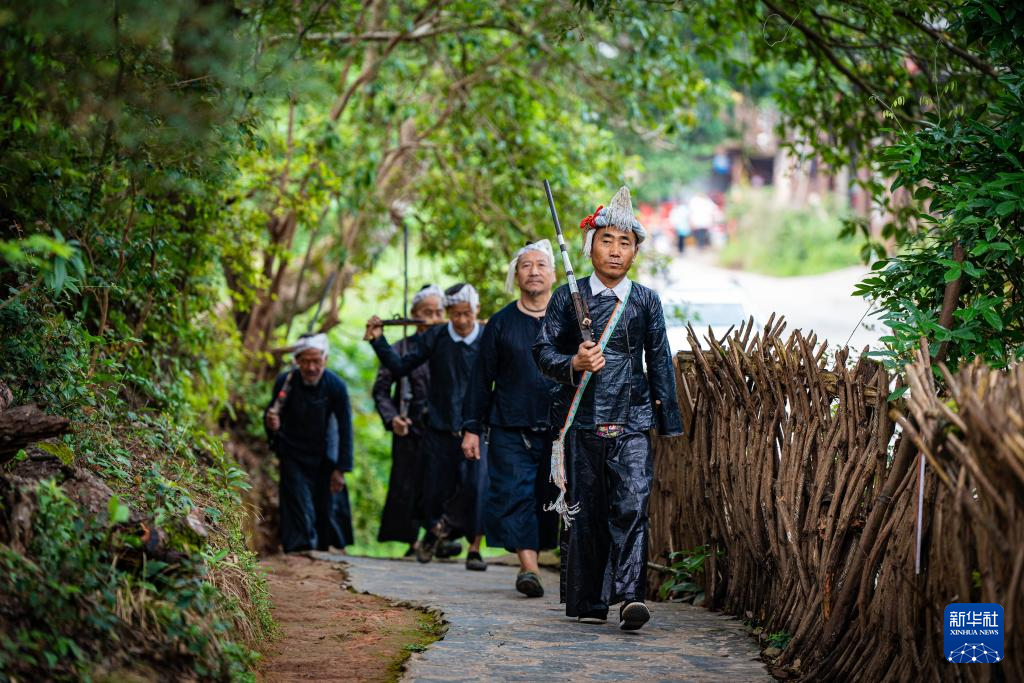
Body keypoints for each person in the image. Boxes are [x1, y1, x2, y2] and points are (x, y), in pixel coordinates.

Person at [533, 186, 683, 631]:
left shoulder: (645, 301)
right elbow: (542, 353)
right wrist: (574, 363)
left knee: (633, 506)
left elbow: (659, 362)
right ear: (590, 245)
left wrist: (667, 423)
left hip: (633, 419)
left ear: (635, 250)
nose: (616, 251)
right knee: (587, 511)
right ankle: (589, 600)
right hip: (581, 420)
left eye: (625, 242)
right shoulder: (567, 298)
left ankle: (629, 597)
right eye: (607, 240)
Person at [364, 283, 489, 571]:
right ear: (448, 314)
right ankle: (435, 532)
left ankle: (456, 537)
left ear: (477, 310)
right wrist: (378, 341)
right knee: (433, 491)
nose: (461, 321)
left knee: (475, 486)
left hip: (475, 427)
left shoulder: (487, 337)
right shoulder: (435, 336)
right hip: (437, 428)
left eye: (467, 313)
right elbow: (399, 366)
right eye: (454, 314)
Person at [462, 240, 560, 598]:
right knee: (515, 494)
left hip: (558, 429)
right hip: (509, 427)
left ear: (553, 274)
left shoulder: (567, 319)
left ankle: (541, 558)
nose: (533, 271)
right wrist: (471, 427)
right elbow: (480, 378)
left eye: (540, 265)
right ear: (516, 276)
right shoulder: (501, 323)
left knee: (547, 498)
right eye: (525, 266)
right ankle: (529, 569)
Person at [371, 285, 455, 557]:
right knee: (408, 483)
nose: (431, 317)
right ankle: (412, 541)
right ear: (413, 314)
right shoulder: (400, 349)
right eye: (426, 312)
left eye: (438, 312)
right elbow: (381, 389)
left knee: (443, 483)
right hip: (410, 427)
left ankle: (439, 537)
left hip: (442, 428)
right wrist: (392, 417)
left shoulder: (450, 345)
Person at [265, 333, 353, 554]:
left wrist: (341, 468)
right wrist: (271, 423)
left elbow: (345, 429)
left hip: (324, 454)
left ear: (326, 359)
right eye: (306, 361)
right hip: (293, 453)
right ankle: (299, 551)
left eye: (317, 361)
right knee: (297, 502)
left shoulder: (336, 386)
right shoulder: (286, 382)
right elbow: (272, 417)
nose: (311, 367)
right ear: (297, 361)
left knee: (326, 506)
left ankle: (325, 548)